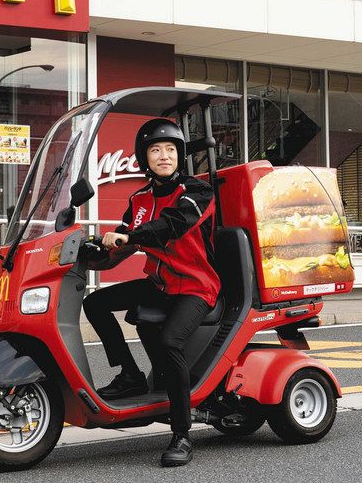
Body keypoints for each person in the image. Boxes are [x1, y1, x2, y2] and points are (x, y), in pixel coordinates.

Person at [83, 118, 221, 467]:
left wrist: (131, 236)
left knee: (170, 341)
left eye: (171, 150)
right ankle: (129, 376)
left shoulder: (196, 193)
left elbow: (172, 226)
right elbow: (124, 239)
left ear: (180, 156)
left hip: (196, 286)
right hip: (160, 283)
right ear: (145, 158)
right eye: (156, 150)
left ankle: (182, 434)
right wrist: (92, 251)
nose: (164, 156)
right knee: (95, 303)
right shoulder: (140, 197)